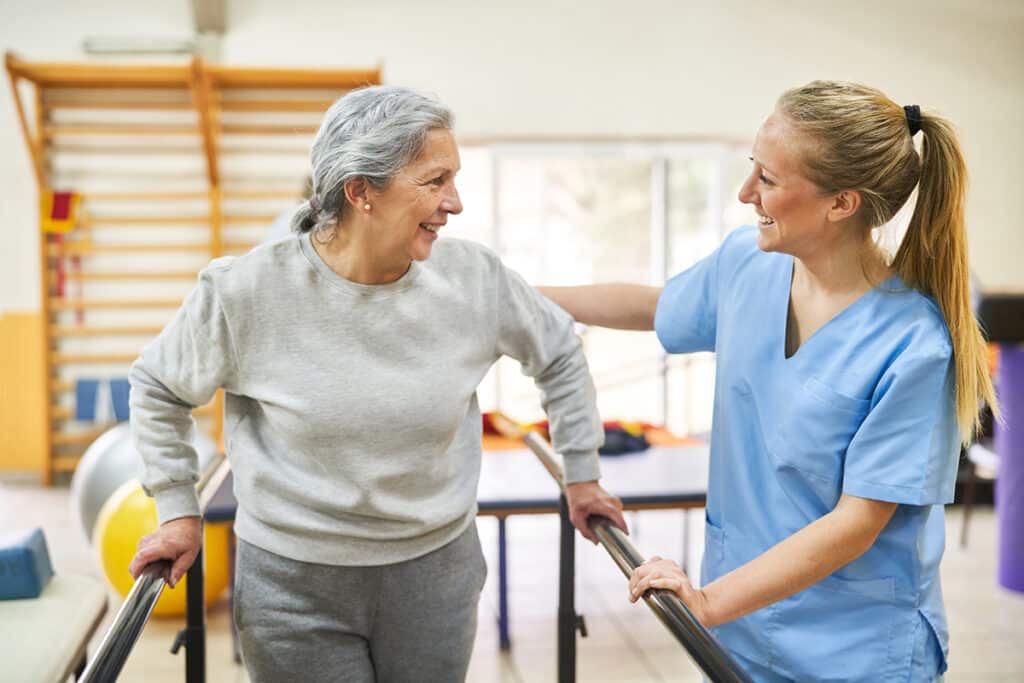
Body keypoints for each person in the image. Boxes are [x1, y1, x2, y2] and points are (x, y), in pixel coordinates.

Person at [127, 85, 626, 683]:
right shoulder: (247, 291)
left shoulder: (473, 279)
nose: (455, 202)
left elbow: (559, 352)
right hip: (293, 583)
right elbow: (158, 386)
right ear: (360, 190)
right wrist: (178, 508)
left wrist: (582, 471)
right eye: (434, 180)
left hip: (434, 575)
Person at [541, 81, 998, 682]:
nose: (745, 193)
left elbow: (857, 521)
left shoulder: (914, 345)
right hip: (742, 627)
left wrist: (707, 601)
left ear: (842, 203)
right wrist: (512, 297)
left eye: (769, 180)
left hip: (855, 650)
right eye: (752, 168)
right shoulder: (748, 263)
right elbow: (655, 306)